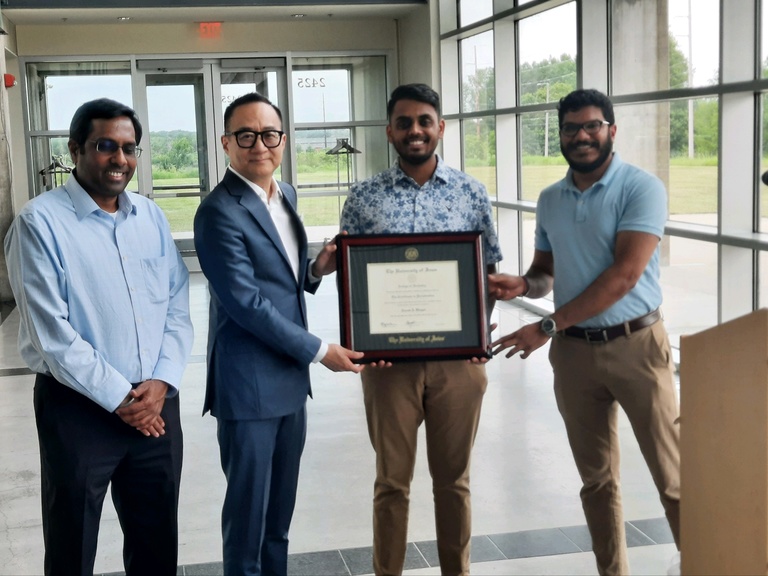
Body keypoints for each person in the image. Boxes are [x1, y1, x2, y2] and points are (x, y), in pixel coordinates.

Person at [490, 88, 680, 575]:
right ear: (561, 135)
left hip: (637, 346)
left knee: (672, 476)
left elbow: (624, 276)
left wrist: (547, 325)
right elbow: (545, 272)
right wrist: (522, 284)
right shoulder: (551, 198)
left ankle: (703, 561)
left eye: (592, 125)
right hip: (574, 356)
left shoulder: (642, 188)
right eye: (571, 128)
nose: (582, 136)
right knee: (596, 482)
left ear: (611, 131)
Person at [4, 98, 193, 576]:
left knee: (156, 545)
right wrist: (122, 397)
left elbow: (176, 304)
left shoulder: (149, 217)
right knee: (72, 546)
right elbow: (53, 335)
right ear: (75, 149)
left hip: (155, 405)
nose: (120, 159)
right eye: (106, 146)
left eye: (130, 148)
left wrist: (162, 383)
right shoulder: (38, 224)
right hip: (78, 409)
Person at [193, 92, 365, 575]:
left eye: (269, 134)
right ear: (226, 143)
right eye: (245, 135)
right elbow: (246, 304)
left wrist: (316, 269)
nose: (259, 145)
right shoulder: (217, 212)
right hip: (248, 386)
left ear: (283, 140)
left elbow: (283, 278)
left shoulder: (284, 194)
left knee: (279, 517)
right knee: (248, 519)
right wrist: (320, 350)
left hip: (288, 382)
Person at [339, 83, 502, 576]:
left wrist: (480, 333)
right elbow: (354, 279)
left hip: (459, 365)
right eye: (405, 122)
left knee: (454, 483)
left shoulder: (472, 192)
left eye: (424, 121)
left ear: (440, 128)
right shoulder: (363, 198)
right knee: (392, 483)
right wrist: (364, 345)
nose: (415, 131)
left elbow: (488, 270)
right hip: (388, 368)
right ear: (390, 130)